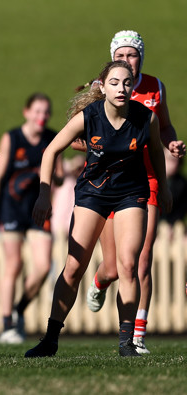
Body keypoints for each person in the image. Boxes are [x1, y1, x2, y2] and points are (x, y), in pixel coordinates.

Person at [25, 60, 171, 358]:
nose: (122, 88)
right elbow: (52, 150)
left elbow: (156, 151)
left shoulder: (146, 118)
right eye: (115, 82)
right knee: (75, 267)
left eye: (127, 83)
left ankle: (127, 342)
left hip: (132, 193)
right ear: (102, 87)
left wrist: (165, 187)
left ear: (134, 86)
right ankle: (50, 339)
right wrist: (44, 194)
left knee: (128, 265)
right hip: (93, 193)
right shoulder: (88, 116)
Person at [78, 31, 185, 354]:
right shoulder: (102, 87)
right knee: (113, 268)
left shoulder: (155, 87)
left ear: (141, 58)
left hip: (146, 179)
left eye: (133, 55)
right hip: (109, 180)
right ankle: (99, 281)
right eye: (121, 56)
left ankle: (136, 337)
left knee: (141, 260)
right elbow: (75, 134)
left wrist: (171, 143)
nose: (127, 61)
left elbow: (163, 126)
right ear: (113, 59)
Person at [0, 93, 63, 344]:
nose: (42, 117)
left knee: (43, 267)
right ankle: (7, 325)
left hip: (38, 209)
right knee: (13, 265)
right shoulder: (12, 138)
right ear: (26, 112)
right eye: (37, 111)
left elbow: (58, 179)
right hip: (11, 208)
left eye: (46, 112)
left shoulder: (52, 138)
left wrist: (54, 172)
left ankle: (20, 308)